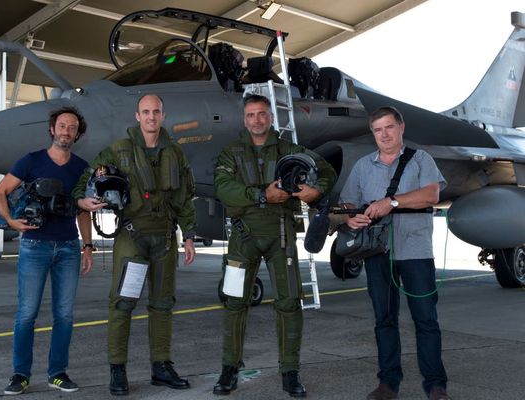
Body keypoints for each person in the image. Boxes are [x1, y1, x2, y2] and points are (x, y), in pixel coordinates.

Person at [212, 94, 336, 398]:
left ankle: (290, 372)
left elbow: (328, 172)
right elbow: (224, 189)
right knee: (234, 304)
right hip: (243, 237)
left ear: (271, 117)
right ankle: (230, 369)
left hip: (281, 236)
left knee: (290, 303)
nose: (257, 120)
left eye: (263, 114)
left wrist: (313, 190)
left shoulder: (290, 150)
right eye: (252, 114)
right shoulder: (231, 153)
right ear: (245, 119)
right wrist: (262, 196)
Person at [74, 94, 197, 396]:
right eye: (146, 112)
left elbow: (185, 197)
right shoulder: (117, 151)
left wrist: (190, 235)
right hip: (133, 238)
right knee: (123, 303)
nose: (151, 117)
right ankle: (118, 369)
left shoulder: (176, 154)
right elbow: (84, 183)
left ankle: (161, 367)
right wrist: (83, 200)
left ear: (163, 116)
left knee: (163, 304)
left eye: (156, 112)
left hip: (166, 239)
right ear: (137, 116)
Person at [339, 106, 450, 400]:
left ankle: (435, 385)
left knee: (426, 320)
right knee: (384, 320)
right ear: (373, 133)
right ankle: (389, 383)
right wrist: (351, 217)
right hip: (377, 252)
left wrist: (392, 203)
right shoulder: (363, 166)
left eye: (389, 127)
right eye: (378, 129)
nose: (384, 134)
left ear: (401, 127)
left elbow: (431, 195)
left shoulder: (421, 160)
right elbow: (349, 201)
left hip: (415, 252)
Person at [0, 106, 94, 395]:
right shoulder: (31, 161)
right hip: (35, 247)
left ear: (77, 133)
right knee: (26, 314)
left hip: (68, 248)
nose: (66, 131)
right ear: (52, 129)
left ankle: (57, 373)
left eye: (72, 127)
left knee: (64, 315)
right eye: (62, 126)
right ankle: (20, 374)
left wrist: (87, 246)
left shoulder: (81, 168)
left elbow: (83, 211)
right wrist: (11, 221)